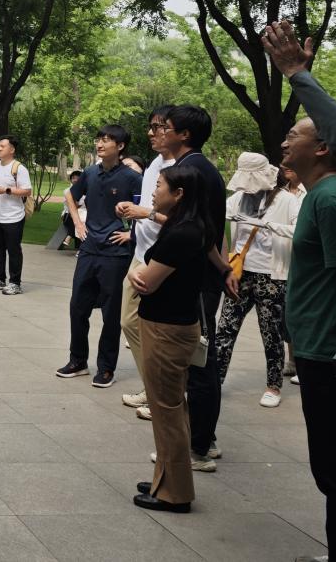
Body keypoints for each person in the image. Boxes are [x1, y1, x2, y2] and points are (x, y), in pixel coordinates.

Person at [265, 20, 336, 555]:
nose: (285, 140)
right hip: (315, 352)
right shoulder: (317, 196)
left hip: (335, 359)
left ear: (324, 148)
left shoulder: (334, 200)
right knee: (333, 468)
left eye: (296, 135)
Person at [127, 163, 213, 514]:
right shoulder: (189, 225)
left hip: (166, 329)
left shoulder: (182, 233)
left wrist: (133, 275)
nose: (153, 190)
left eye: (159, 185)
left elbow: (146, 282)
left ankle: (174, 493)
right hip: (172, 325)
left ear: (178, 194)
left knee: (167, 412)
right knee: (171, 408)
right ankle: (164, 479)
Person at [156, 105, 237, 471]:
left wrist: (220, 269)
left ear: (184, 134)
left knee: (200, 361)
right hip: (199, 277)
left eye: (166, 127)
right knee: (196, 360)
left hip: (197, 282)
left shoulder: (196, 172)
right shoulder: (197, 168)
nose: (160, 132)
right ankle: (200, 438)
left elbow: (199, 230)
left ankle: (200, 446)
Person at [212, 155, 297, 408]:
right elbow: (217, 214)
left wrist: (267, 225)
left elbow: (300, 229)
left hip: (271, 274)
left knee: (271, 332)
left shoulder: (286, 200)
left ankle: (274, 385)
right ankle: (215, 380)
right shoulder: (239, 198)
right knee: (225, 328)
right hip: (240, 273)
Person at [57, 125, 139, 388]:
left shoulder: (132, 178)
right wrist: (78, 224)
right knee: (77, 307)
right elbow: (70, 195)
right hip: (89, 249)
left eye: (106, 140)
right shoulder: (90, 173)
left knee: (110, 313)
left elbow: (146, 210)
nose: (100, 144)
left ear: (120, 146)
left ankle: (106, 368)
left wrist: (131, 234)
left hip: (115, 254)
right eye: (99, 140)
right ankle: (78, 361)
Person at [115, 106, 176, 418]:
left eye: (159, 127)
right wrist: (133, 211)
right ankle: (153, 388)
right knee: (129, 322)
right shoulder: (155, 164)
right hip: (141, 253)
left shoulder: (181, 169)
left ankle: (163, 394)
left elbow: (186, 224)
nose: (151, 133)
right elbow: (149, 207)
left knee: (156, 331)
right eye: (150, 126)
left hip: (163, 260)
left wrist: (146, 214)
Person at [0, 134, 32, 295]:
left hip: (13, 217)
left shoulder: (19, 168)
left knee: (13, 250)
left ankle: (15, 283)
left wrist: (7, 190)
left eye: (3, 146)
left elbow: (27, 191)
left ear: (12, 149)